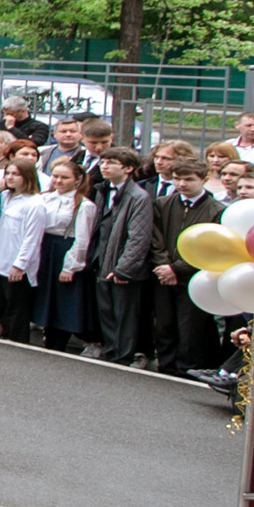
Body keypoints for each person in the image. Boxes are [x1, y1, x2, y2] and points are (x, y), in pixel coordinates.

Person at [150, 157, 226, 375]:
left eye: (188, 179)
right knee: (164, 323)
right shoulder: (163, 204)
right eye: (177, 179)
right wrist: (164, 265)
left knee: (189, 325)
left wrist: (178, 268)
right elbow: (156, 239)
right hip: (163, 274)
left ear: (204, 179)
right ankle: (166, 364)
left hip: (194, 276)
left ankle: (187, 366)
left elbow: (210, 246)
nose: (182, 184)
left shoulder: (216, 210)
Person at [90, 147, 154, 366]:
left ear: (128, 168)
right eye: (102, 162)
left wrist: (124, 268)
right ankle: (110, 349)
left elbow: (138, 237)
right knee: (106, 310)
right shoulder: (103, 190)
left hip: (121, 265)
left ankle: (122, 354)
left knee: (124, 313)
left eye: (111, 163)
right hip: (103, 259)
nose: (104, 167)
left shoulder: (138, 197)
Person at [34, 155, 99, 351]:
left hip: (64, 248)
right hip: (45, 248)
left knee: (64, 297)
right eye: (55, 177)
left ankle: (61, 339)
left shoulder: (83, 205)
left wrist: (71, 266)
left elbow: (82, 238)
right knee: (46, 293)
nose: (59, 181)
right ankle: (47, 331)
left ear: (77, 180)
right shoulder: (46, 198)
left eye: (65, 178)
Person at [0, 156, 49, 343]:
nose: (11, 178)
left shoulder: (34, 203)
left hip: (16, 263)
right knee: (2, 304)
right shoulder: (4, 197)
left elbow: (32, 238)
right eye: (8, 174)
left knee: (17, 307)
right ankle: (6, 333)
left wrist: (20, 265)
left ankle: (18, 340)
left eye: (16, 174)